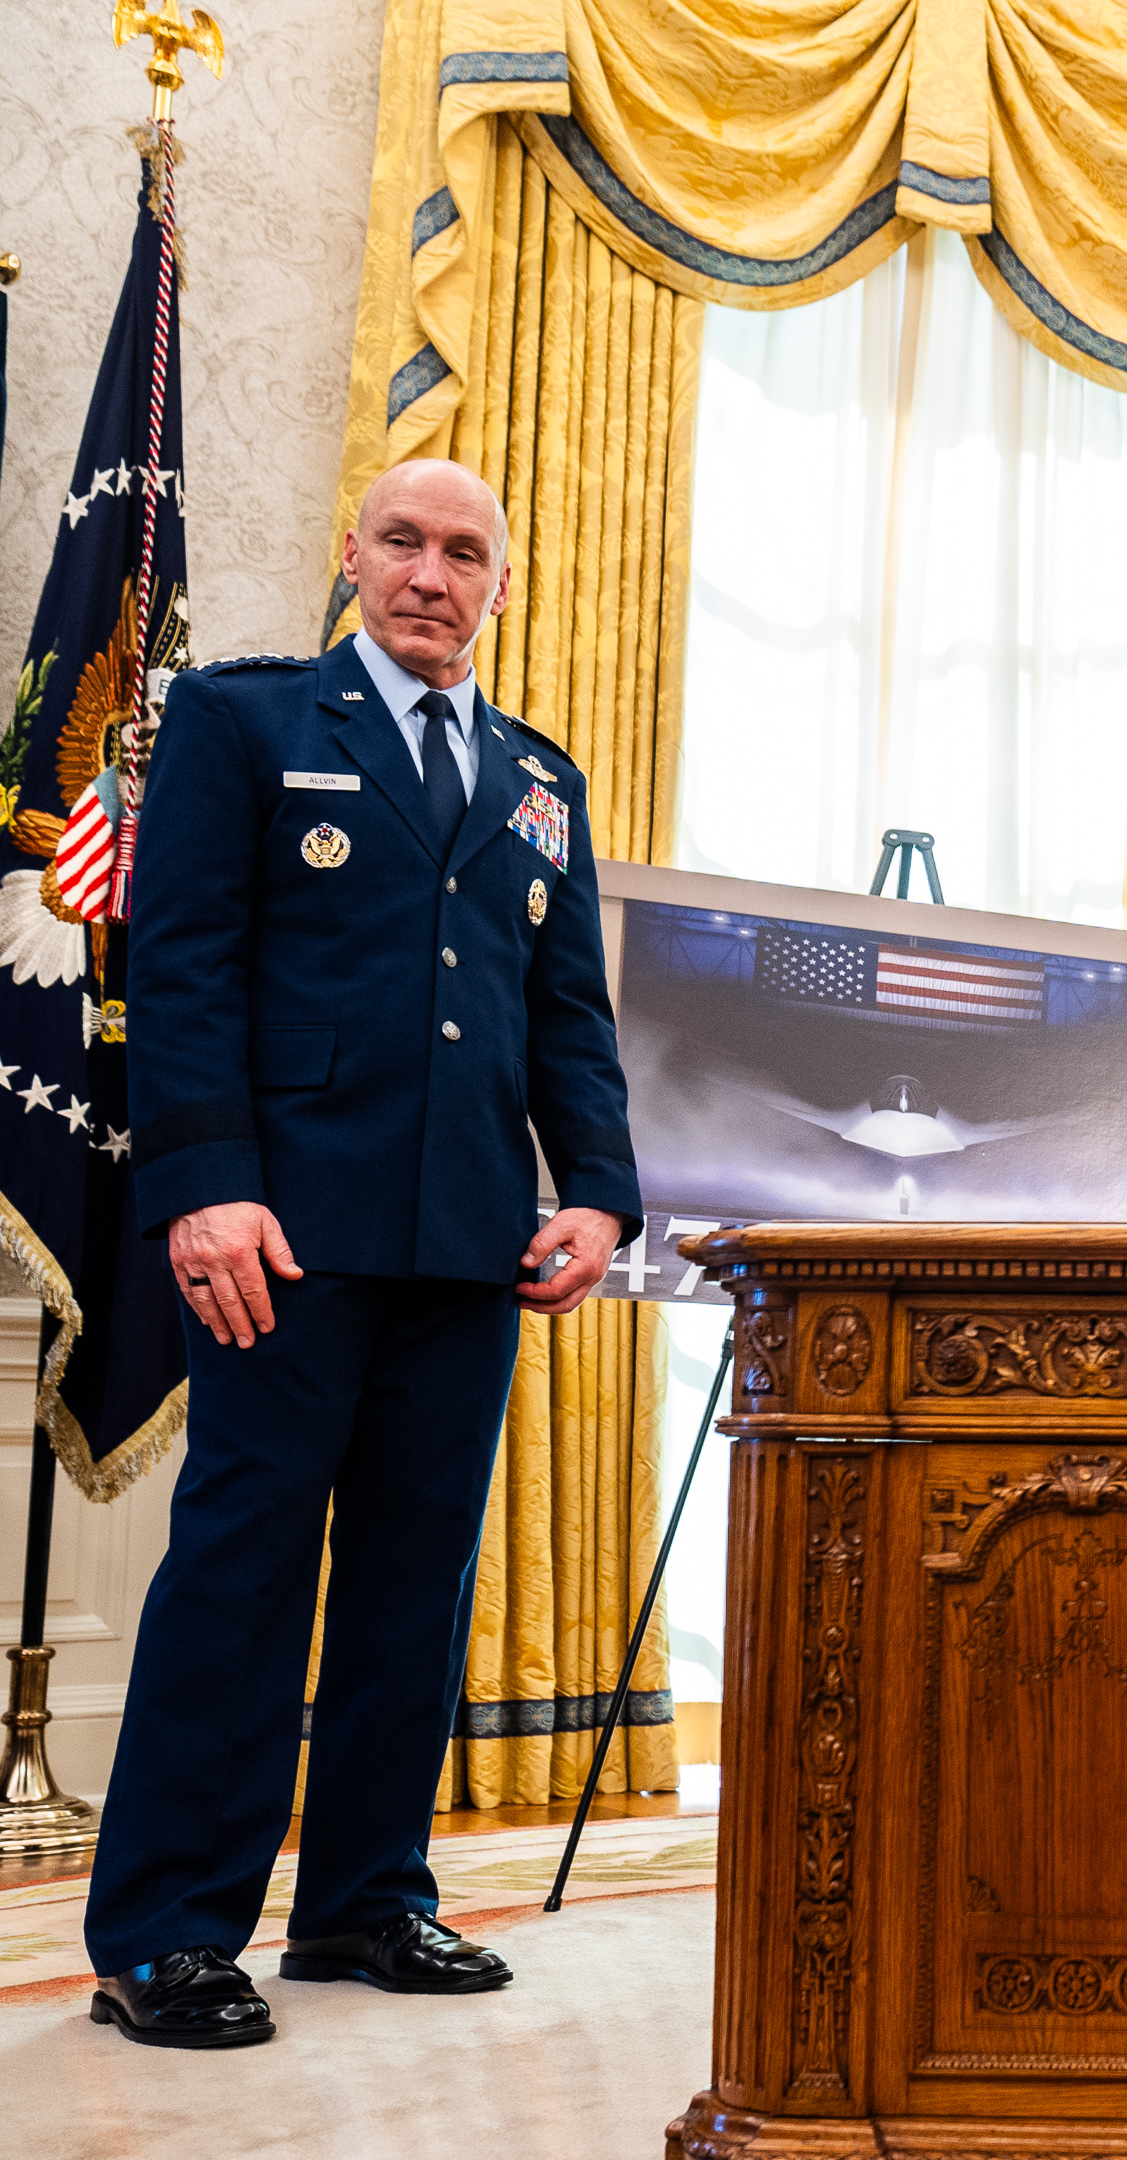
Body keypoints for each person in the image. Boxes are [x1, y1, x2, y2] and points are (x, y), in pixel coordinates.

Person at [81, 458, 639, 2047]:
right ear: (352, 554)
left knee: (414, 1581)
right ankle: (171, 1933)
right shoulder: (249, 725)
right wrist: (204, 1187)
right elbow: (183, 969)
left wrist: (595, 1189)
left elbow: (563, 1018)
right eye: (404, 540)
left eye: (467, 552)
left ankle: (367, 1899)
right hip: (285, 1238)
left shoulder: (539, 778)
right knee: (244, 1574)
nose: (431, 573)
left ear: (499, 587)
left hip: (468, 1243)